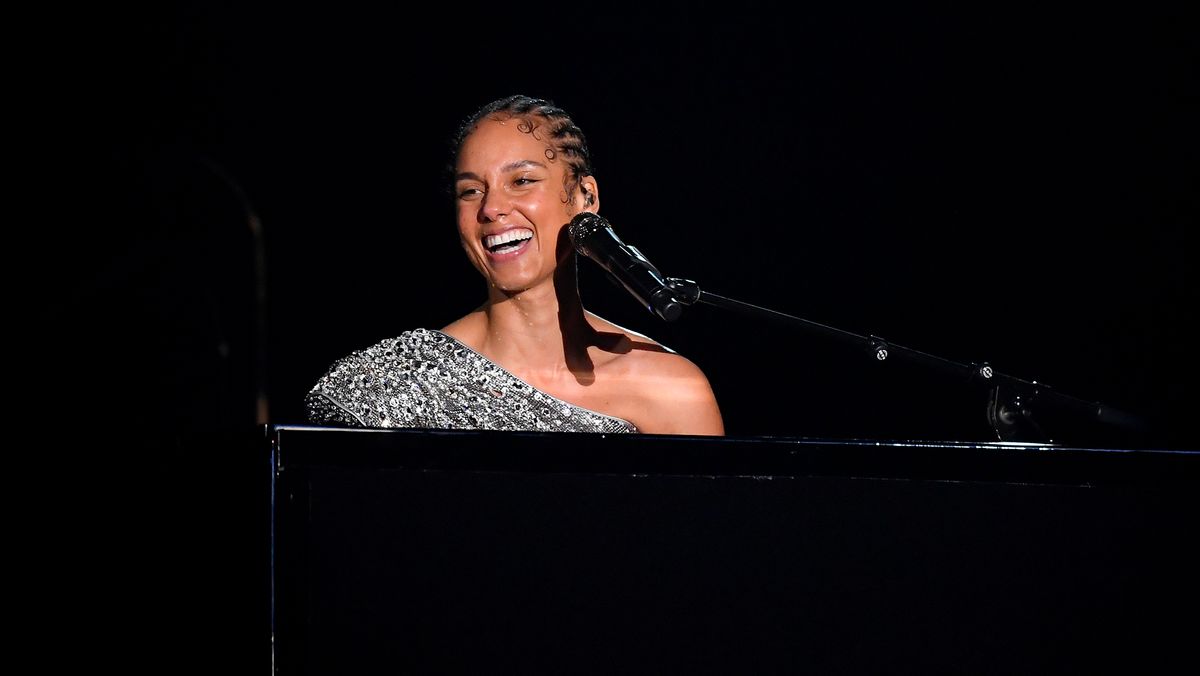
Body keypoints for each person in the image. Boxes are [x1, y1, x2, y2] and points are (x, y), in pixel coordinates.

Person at [305, 95, 724, 435]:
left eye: (522, 181)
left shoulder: (672, 391)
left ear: (585, 198)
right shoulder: (388, 386)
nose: (491, 209)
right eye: (471, 191)